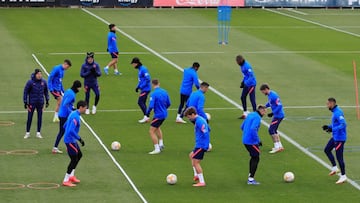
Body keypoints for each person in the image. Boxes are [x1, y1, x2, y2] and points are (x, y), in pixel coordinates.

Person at [322, 97, 347, 184]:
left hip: (340, 138)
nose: (327, 106)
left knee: (339, 157)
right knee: (327, 149)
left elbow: (343, 124)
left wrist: (333, 129)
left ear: (332, 103)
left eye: (328, 104)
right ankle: (335, 168)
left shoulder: (338, 113)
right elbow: (336, 124)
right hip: (335, 137)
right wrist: (329, 127)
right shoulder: (335, 112)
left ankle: (343, 176)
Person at [52, 80, 82, 154]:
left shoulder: (68, 91)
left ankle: (65, 147)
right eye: (79, 88)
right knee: (63, 131)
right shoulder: (72, 94)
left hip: (62, 114)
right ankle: (55, 148)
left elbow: (67, 103)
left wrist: (72, 108)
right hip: (64, 115)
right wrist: (71, 112)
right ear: (77, 87)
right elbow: (65, 104)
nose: (80, 89)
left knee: (64, 131)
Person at [62, 100, 87, 187]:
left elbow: (64, 126)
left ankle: (71, 176)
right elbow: (70, 130)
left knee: (79, 155)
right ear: (81, 107)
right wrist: (80, 139)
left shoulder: (73, 113)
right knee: (74, 159)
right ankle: (66, 180)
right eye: (85, 108)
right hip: (70, 140)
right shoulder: (75, 117)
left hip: (71, 140)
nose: (86, 109)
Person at [184, 107, 210, 187]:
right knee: (191, 155)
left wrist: (206, 145)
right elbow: (208, 128)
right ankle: (196, 175)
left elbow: (205, 132)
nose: (189, 119)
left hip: (201, 145)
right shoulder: (199, 120)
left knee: (196, 163)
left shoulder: (199, 121)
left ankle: (202, 181)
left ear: (192, 114)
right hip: (199, 144)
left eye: (189, 117)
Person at [241, 105, 266, 185]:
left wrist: (246, 133)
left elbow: (242, 126)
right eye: (264, 111)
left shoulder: (250, 114)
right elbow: (253, 129)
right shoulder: (257, 118)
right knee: (256, 157)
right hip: (251, 141)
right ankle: (251, 179)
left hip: (245, 139)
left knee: (253, 156)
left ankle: (250, 175)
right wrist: (258, 140)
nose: (265, 113)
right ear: (261, 111)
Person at [145, 79, 171, 155]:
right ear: (159, 83)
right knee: (157, 127)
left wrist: (147, 114)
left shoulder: (153, 94)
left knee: (151, 131)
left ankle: (157, 149)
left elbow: (151, 106)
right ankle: (161, 143)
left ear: (152, 84)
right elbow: (169, 103)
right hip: (164, 114)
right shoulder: (165, 92)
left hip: (158, 115)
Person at [23, 69, 49, 139]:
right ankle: (27, 133)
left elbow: (46, 91)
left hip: (40, 102)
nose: (40, 75)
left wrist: (47, 100)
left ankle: (38, 133)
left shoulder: (44, 82)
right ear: (35, 74)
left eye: (40, 74)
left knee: (40, 117)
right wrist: (25, 102)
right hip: (32, 102)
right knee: (29, 118)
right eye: (38, 74)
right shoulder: (30, 82)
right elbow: (25, 92)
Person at [259, 84, 285, 154]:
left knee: (271, 130)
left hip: (278, 116)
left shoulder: (273, 95)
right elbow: (270, 103)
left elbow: (279, 105)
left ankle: (277, 147)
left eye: (263, 92)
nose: (263, 93)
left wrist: (272, 113)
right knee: (274, 130)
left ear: (266, 89)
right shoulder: (270, 95)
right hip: (277, 115)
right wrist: (265, 106)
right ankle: (280, 146)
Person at [131, 57, 151, 123]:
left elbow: (148, 79)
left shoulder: (143, 69)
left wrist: (141, 86)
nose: (132, 65)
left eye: (133, 64)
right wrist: (137, 87)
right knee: (143, 102)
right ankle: (146, 116)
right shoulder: (140, 69)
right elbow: (141, 80)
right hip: (143, 88)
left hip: (146, 89)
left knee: (140, 102)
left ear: (136, 63)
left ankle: (146, 116)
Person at [236, 55, 256, 119]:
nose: (237, 63)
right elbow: (245, 76)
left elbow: (251, 76)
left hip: (251, 84)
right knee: (243, 97)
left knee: (252, 99)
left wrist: (246, 83)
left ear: (240, 61)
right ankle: (245, 113)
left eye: (237, 61)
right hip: (246, 84)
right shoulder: (242, 66)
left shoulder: (247, 66)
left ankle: (255, 114)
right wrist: (242, 82)